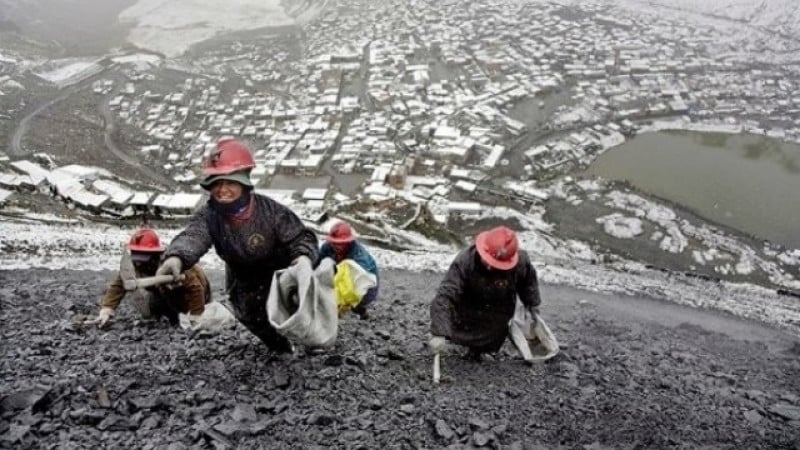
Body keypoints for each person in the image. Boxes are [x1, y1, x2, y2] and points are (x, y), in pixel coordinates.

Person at [156, 138, 318, 353]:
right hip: (242, 279)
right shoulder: (210, 215)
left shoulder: (272, 212)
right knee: (252, 317)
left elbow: (300, 238)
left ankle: (312, 344)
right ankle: (280, 348)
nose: (222, 189)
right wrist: (175, 258)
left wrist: (302, 260)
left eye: (230, 182)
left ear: (244, 182)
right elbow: (194, 236)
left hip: (282, 272)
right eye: (216, 183)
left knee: (299, 308)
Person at [429, 226, 542, 360]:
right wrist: (439, 332)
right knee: (459, 331)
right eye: (488, 261)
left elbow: (528, 283)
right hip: (467, 303)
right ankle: (458, 341)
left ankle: (486, 350)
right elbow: (445, 296)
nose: (489, 266)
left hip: (499, 307)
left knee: (495, 331)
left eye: (496, 264)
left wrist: (533, 304)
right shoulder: (465, 261)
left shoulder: (521, 263)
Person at [93, 227, 211, 328]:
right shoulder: (133, 265)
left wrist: (196, 316)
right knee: (154, 308)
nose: (139, 263)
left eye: (143, 257)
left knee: (184, 315)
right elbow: (119, 285)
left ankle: (181, 314)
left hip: (194, 292)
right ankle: (165, 316)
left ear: (155, 254)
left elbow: (196, 287)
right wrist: (107, 310)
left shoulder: (171, 263)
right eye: (136, 257)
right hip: (162, 292)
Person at [316, 221, 379, 319]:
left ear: (348, 242)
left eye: (340, 244)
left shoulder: (360, 257)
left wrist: (342, 301)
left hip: (365, 284)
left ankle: (360, 309)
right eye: (334, 243)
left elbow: (364, 282)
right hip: (339, 275)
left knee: (354, 302)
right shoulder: (327, 247)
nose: (336, 246)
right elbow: (316, 262)